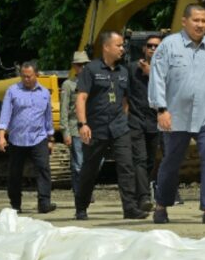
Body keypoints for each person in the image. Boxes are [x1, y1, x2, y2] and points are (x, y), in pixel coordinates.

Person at [148, 4, 205, 224]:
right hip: (176, 115)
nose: (200, 25)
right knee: (171, 162)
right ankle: (161, 205)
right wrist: (161, 109)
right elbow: (156, 78)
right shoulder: (168, 46)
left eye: (204, 21)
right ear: (184, 22)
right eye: (196, 20)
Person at [74, 30, 145, 220]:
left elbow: (125, 100)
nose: (122, 49)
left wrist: (123, 118)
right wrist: (83, 124)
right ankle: (81, 206)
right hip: (96, 128)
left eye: (123, 45)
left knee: (126, 166)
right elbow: (81, 98)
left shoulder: (123, 71)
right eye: (119, 45)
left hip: (119, 127)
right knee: (90, 169)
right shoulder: (91, 70)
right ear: (106, 47)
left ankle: (130, 208)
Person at [0, 61, 57, 214]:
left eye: (29, 76)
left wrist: (51, 139)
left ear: (36, 75)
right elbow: (5, 114)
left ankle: (44, 203)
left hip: (39, 137)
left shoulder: (44, 93)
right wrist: (1, 136)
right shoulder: (12, 91)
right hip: (17, 139)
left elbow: (47, 117)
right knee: (14, 173)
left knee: (44, 169)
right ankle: (15, 205)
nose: (26, 79)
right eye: (23, 76)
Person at [127, 34, 162, 213]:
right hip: (135, 120)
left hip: (155, 121)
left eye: (157, 46)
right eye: (150, 46)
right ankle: (144, 197)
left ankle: (138, 192)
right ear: (144, 49)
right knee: (139, 159)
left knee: (149, 161)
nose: (153, 49)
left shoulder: (166, 70)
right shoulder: (132, 68)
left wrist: (152, 74)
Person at [60, 51, 89, 199]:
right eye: (79, 65)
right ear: (74, 66)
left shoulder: (92, 82)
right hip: (75, 127)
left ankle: (85, 189)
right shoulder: (68, 85)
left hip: (92, 127)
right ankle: (80, 192)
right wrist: (65, 132)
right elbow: (64, 109)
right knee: (79, 163)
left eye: (85, 64)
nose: (83, 67)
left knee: (93, 161)